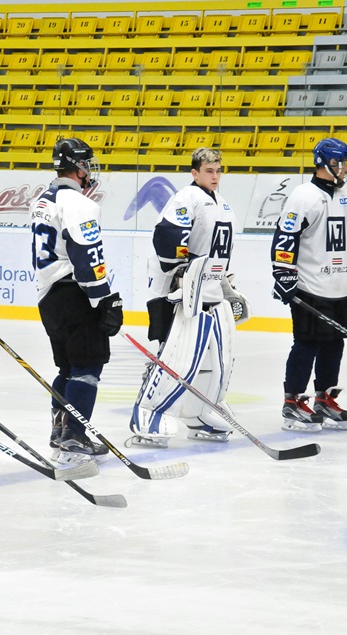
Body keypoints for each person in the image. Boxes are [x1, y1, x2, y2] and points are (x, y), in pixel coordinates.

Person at [127, 147, 248, 447]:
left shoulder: (224, 205)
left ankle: (200, 412)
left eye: (218, 170)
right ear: (195, 173)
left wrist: (225, 284)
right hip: (180, 294)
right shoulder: (186, 198)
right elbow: (168, 238)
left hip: (210, 293)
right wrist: (181, 273)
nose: (215, 176)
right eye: (209, 171)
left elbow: (218, 253)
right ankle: (149, 413)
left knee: (218, 361)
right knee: (178, 358)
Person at [31, 137, 123, 464]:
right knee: (88, 365)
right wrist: (103, 298)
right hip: (75, 294)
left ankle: (61, 430)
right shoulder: (80, 204)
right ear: (80, 167)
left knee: (68, 367)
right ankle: (74, 436)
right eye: (88, 164)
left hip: (48, 296)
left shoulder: (43, 200)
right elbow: (86, 256)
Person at [270, 137, 347, 432]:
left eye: (346, 163)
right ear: (326, 163)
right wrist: (283, 273)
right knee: (307, 343)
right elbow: (285, 237)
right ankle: (292, 402)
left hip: (338, 287)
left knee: (334, 343)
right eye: (341, 163)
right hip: (310, 286)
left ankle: (324, 399)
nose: (345, 168)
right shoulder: (304, 196)